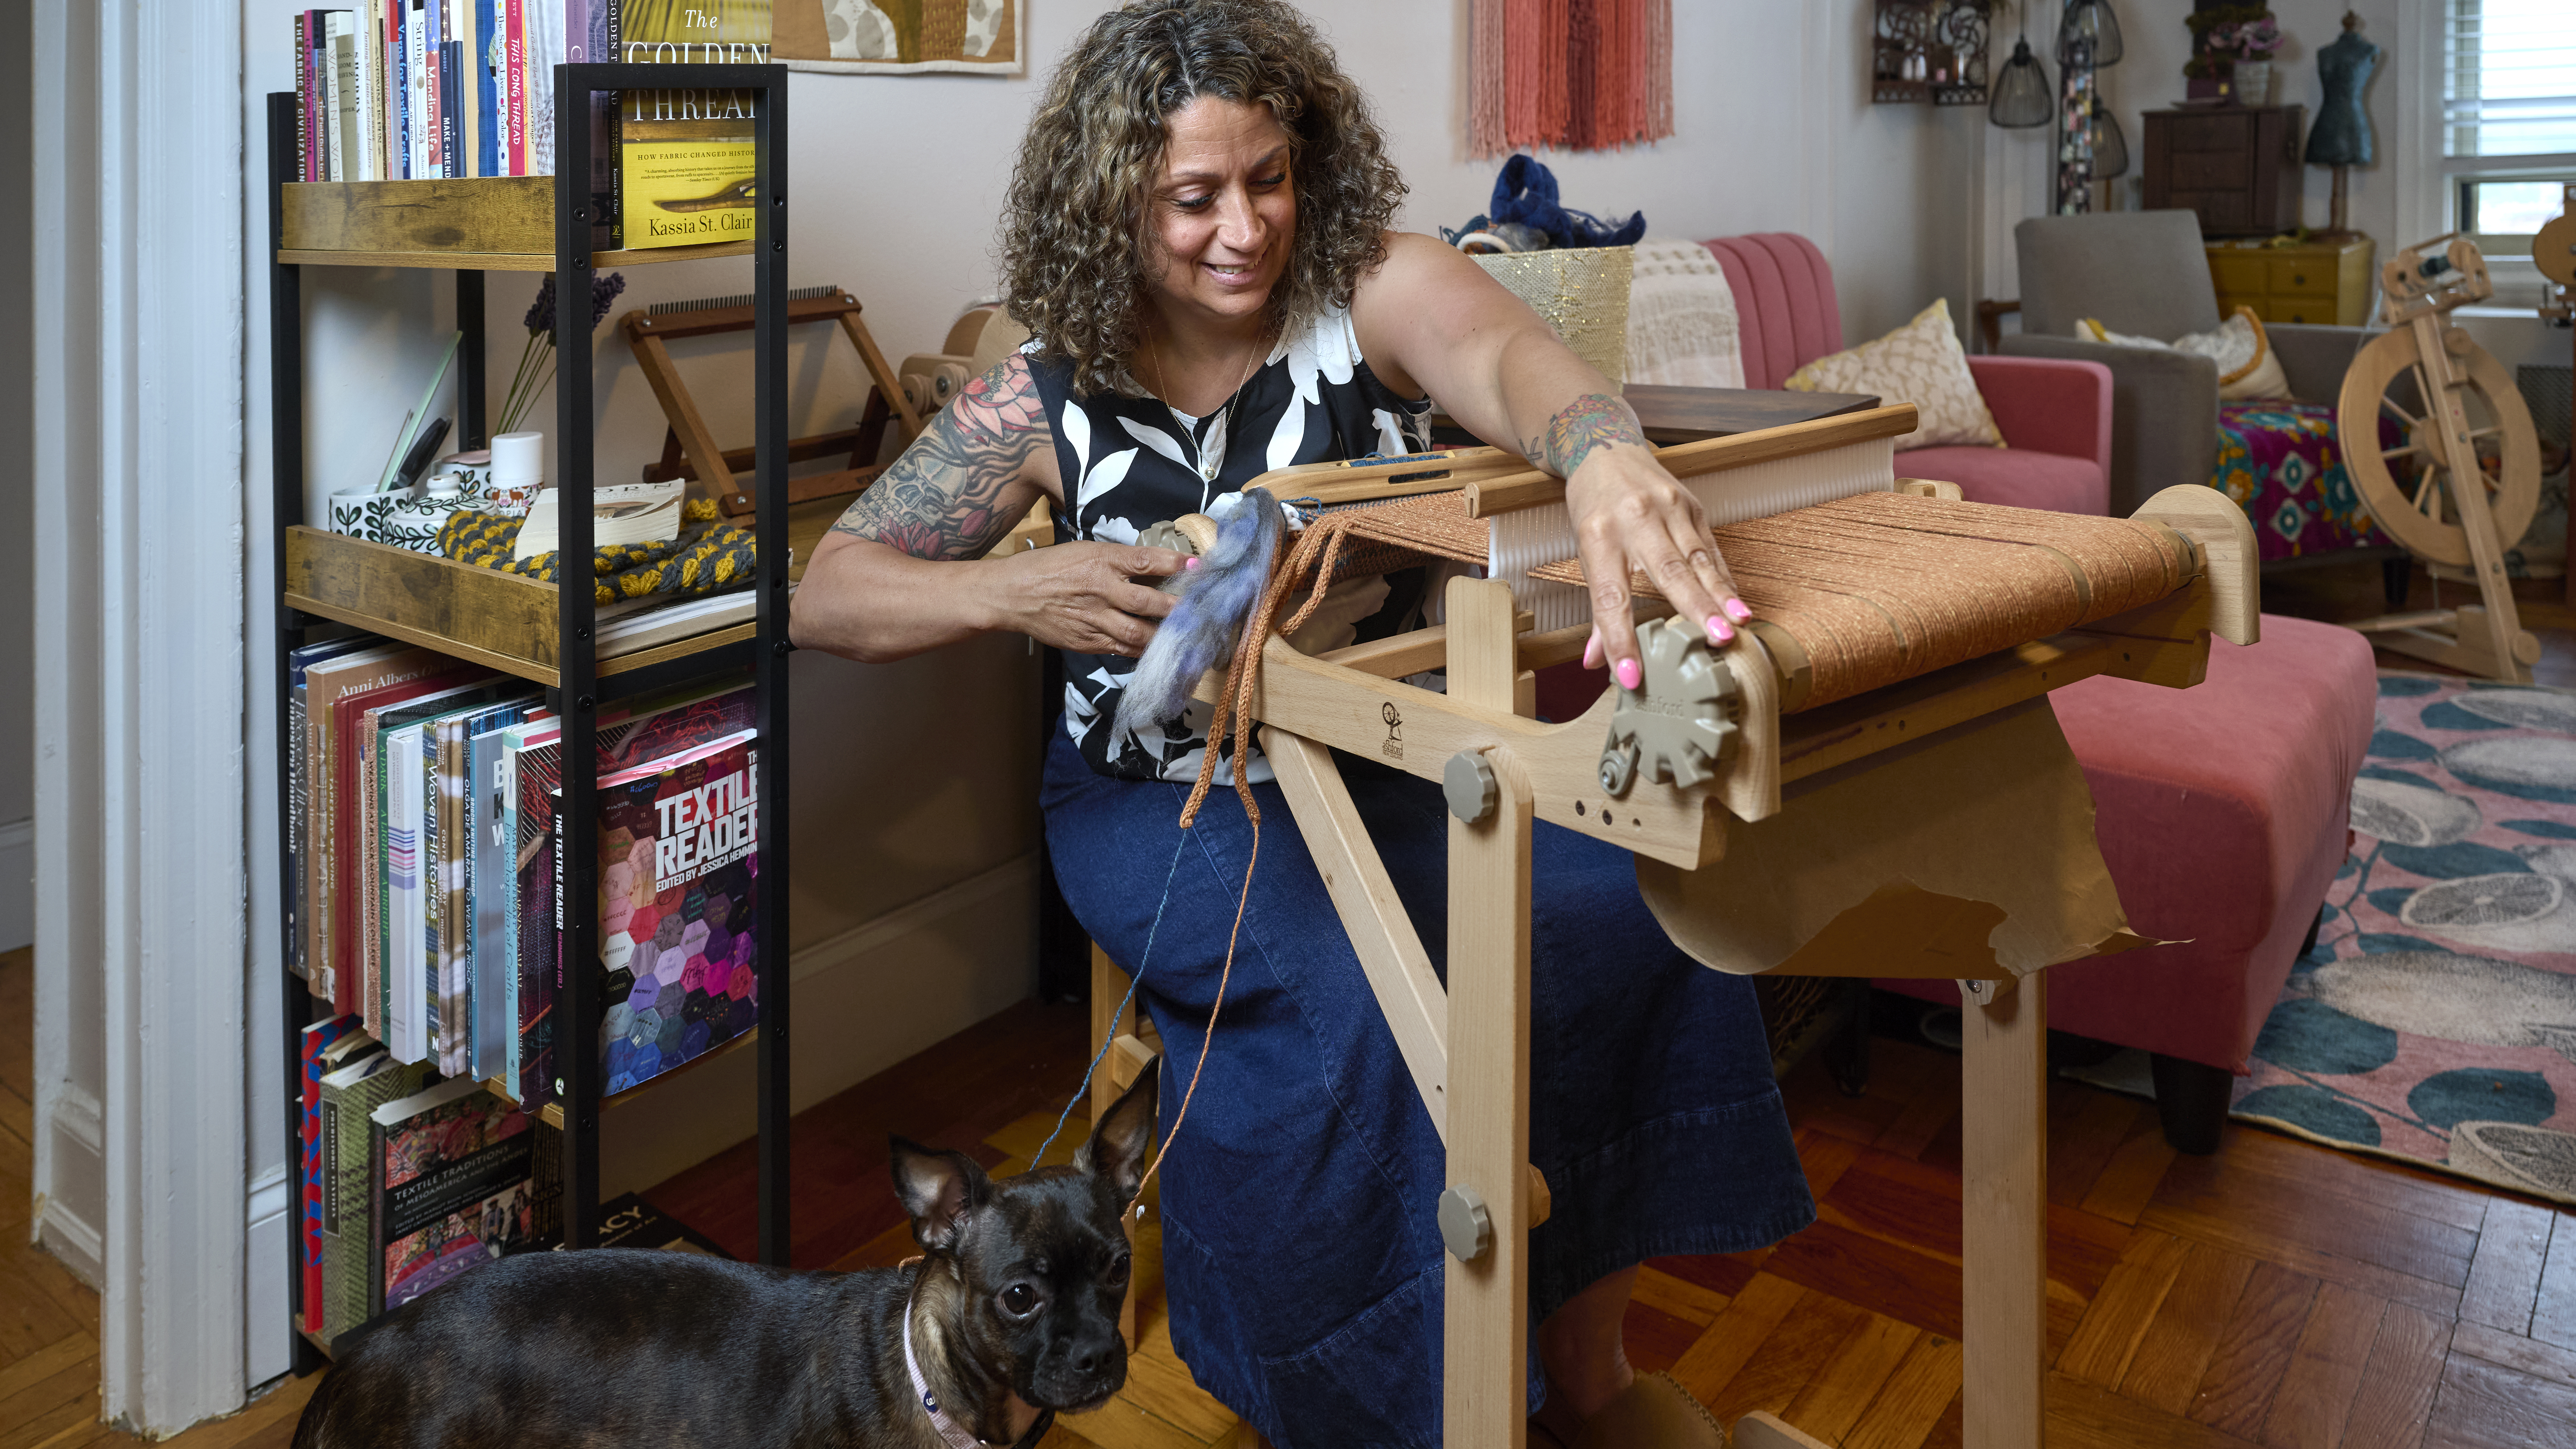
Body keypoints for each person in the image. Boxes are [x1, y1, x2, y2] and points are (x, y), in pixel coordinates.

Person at [789, 3, 1813, 1444]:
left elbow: (1517, 364)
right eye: (1190, 197)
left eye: (1266, 178)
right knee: (1366, 1020)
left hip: (1387, 762)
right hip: (1159, 804)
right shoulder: (1046, 381)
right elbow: (825, 590)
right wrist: (1023, 592)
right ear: (1108, 202)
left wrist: (1601, 455)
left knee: (1639, 915)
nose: (1241, 228)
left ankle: (1590, 1382)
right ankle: (1395, 1411)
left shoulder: (1374, 285)